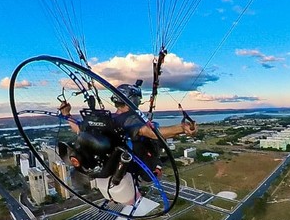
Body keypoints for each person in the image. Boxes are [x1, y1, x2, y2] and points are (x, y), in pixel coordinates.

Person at [59, 81, 197, 206]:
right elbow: (150, 132)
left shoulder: (103, 119)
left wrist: (67, 115)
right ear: (134, 100)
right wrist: (181, 129)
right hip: (130, 164)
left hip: (109, 165)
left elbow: (78, 129)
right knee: (150, 159)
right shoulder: (131, 120)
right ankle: (154, 170)